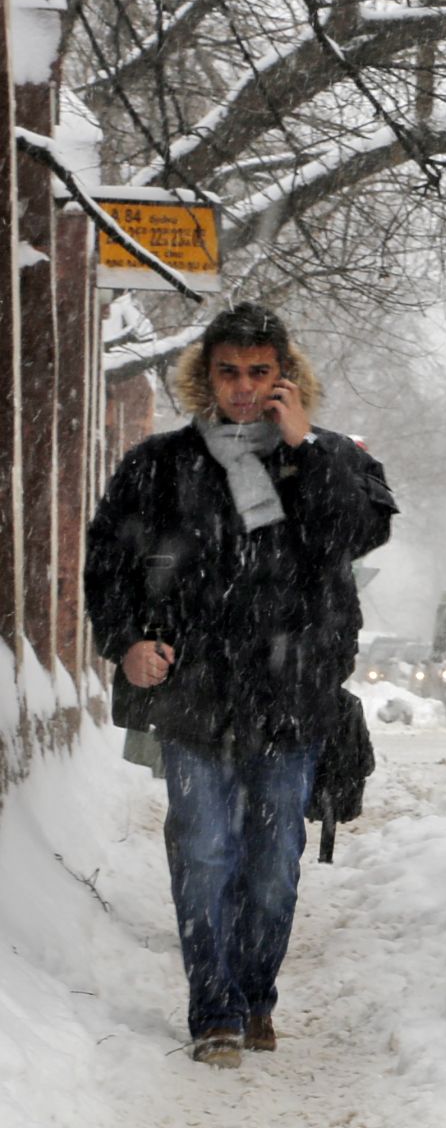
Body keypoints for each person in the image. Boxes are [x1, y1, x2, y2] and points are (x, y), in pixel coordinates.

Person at [84, 303, 397, 1069]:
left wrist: (306, 449)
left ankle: (256, 993)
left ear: (288, 377)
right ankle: (215, 1009)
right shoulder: (159, 466)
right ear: (206, 376)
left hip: (294, 702)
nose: (245, 387)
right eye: (229, 371)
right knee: (205, 854)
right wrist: (126, 642)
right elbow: (108, 562)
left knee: (270, 867)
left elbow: (355, 534)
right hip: (195, 698)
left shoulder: (333, 458)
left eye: (261, 372)